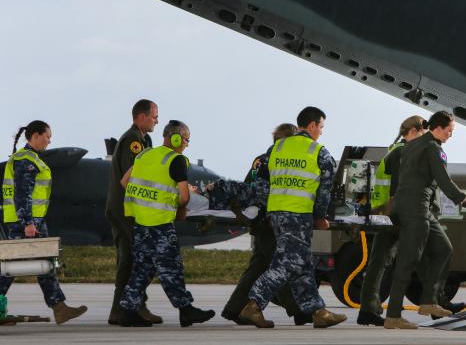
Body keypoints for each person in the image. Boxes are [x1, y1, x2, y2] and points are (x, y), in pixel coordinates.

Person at [239, 106, 347, 328]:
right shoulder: (319, 152)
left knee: (303, 263)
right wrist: (320, 217)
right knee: (288, 263)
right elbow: (325, 192)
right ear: (312, 125)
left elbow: (260, 183)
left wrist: (268, 206)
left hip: (276, 213)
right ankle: (254, 304)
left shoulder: (275, 148)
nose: (321, 132)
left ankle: (318, 312)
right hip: (299, 215)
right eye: (321, 127)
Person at [384, 111, 466, 329]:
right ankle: (393, 315)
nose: (451, 135)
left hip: (410, 206)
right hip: (416, 209)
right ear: (439, 128)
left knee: (443, 248)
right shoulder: (433, 148)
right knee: (408, 261)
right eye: (450, 131)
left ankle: (429, 301)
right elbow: (446, 184)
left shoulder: (411, 145)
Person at [117, 120, 215, 327]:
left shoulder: (145, 154)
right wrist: (176, 206)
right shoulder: (177, 160)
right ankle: (186, 311)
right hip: (160, 224)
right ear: (177, 138)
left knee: (142, 268)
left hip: (141, 222)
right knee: (171, 268)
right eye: (186, 139)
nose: (187, 144)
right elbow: (184, 198)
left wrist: (147, 202)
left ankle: (126, 311)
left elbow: (125, 182)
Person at [219, 122, 312, 326]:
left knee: (259, 265)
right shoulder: (281, 161)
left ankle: (235, 309)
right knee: (281, 267)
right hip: (272, 220)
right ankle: (299, 310)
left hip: (258, 219)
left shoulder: (260, 160)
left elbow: (247, 187)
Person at [1, 121, 88, 324]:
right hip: (26, 223)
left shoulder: (29, 159)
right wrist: (28, 223)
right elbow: (22, 195)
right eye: (48, 136)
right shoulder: (26, 161)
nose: (50, 141)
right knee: (11, 267)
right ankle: (59, 307)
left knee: (45, 265)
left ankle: (59, 307)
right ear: (36, 135)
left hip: (32, 222)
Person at [357, 115, 427, 326]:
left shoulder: (395, 150)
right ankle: (434, 305)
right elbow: (401, 189)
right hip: (396, 215)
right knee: (409, 260)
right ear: (414, 131)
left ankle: (368, 309)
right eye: (425, 133)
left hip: (387, 214)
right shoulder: (403, 153)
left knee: (380, 261)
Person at [106, 99, 162, 325]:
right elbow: (132, 179)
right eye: (154, 116)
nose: (156, 120)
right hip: (126, 210)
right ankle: (128, 309)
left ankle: (129, 308)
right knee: (134, 259)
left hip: (123, 209)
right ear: (141, 116)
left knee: (130, 259)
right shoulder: (133, 141)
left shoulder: (140, 139)